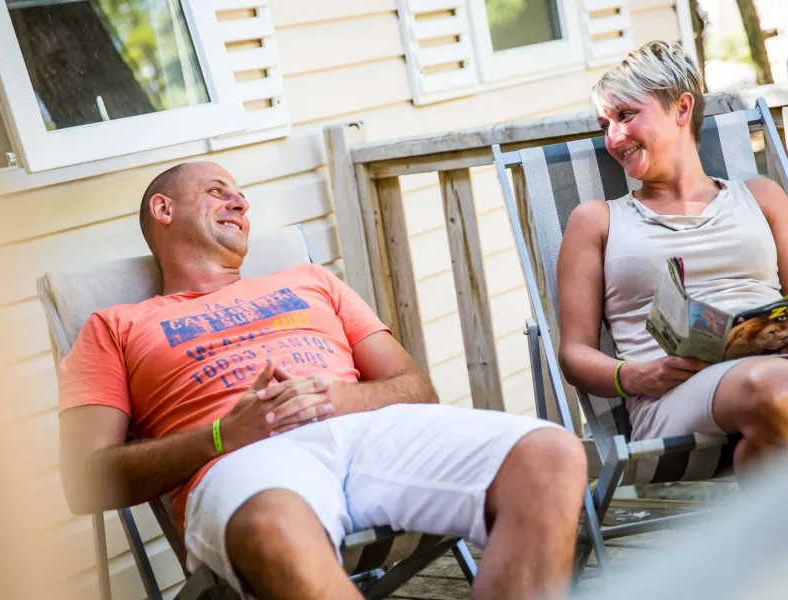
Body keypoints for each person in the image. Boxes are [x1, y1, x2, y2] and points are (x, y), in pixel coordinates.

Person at [57, 161, 587, 600]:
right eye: (218, 193)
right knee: (271, 529)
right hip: (245, 463)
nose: (240, 203)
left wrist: (341, 397)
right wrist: (224, 434)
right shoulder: (115, 327)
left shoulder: (310, 281)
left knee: (551, 455)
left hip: (368, 432)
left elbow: (416, 388)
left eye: (241, 196)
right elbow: (85, 479)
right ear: (163, 209)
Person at [557, 40, 788, 472]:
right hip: (673, 396)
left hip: (775, 368)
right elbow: (574, 353)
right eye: (605, 124)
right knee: (774, 389)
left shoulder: (763, 197)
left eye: (626, 116)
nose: (613, 138)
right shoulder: (597, 221)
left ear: (681, 109)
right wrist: (635, 375)